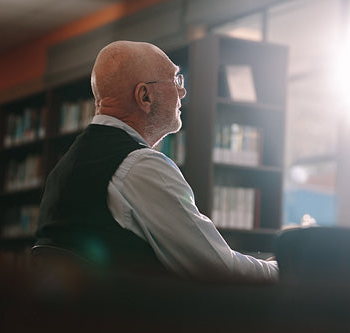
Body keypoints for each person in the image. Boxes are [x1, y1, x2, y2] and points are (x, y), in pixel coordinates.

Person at [34, 40, 278, 283]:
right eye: (175, 80)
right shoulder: (139, 166)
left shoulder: (67, 164)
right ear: (145, 96)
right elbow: (219, 270)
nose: (182, 91)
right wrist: (285, 269)